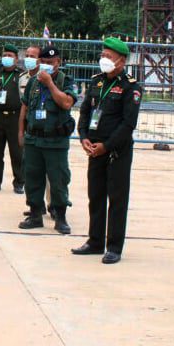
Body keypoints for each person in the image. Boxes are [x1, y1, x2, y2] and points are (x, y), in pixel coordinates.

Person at [73, 38, 142, 265]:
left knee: (117, 199)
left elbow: (128, 124)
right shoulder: (97, 82)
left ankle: (113, 246)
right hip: (94, 149)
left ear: (121, 61)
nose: (104, 60)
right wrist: (83, 137)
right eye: (102, 55)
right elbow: (85, 112)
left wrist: (107, 146)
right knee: (96, 196)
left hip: (116, 151)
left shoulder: (131, 87)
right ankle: (95, 241)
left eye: (109, 57)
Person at [18, 44, 77, 235]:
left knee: (58, 180)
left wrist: (50, 84)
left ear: (58, 62)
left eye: (49, 63)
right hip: (34, 139)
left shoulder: (65, 81)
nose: (45, 66)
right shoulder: (33, 82)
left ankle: (60, 216)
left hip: (55, 142)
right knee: (32, 177)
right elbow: (25, 108)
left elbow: (67, 103)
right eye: (42, 62)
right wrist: (21, 132)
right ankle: (35, 214)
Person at [0, 44, 24, 194]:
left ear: (16, 58)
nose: (7, 58)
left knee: (17, 152)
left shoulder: (21, 75)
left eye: (10, 56)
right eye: (5, 55)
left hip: (15, 118)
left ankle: (19, 182)